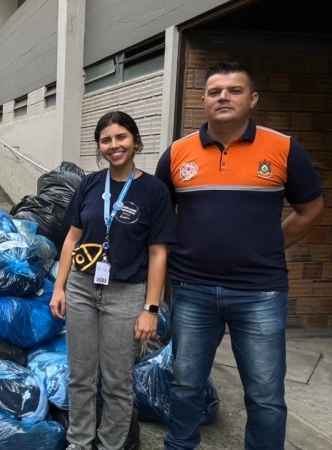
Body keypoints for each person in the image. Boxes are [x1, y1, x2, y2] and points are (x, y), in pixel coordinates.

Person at [155, 61, 324, 450]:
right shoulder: (178, 153)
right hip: (192, 290)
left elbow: (311, 209)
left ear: (252, 99)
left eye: (234, 90)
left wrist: (269, 245)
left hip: (260, 291)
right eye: (215, 91)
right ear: (204, 101)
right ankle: (180, 445)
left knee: (265, 395)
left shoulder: (283, 148)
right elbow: (164, 215)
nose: (223, 97)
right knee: (185, 384)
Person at [50, 111, 176, 450]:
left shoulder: (154, 191)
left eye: (121, 137)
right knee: (81, 376)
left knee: (118, 381)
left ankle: (109, 445)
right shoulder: (90, 184)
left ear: (135, 141)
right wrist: (59, 287)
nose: (114, 145)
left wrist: (151, 307)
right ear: (99, 147)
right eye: (106, 140)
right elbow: (71, 240)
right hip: (81, 288)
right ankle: (79, 443)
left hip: (126, 293)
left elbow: (158, 253)